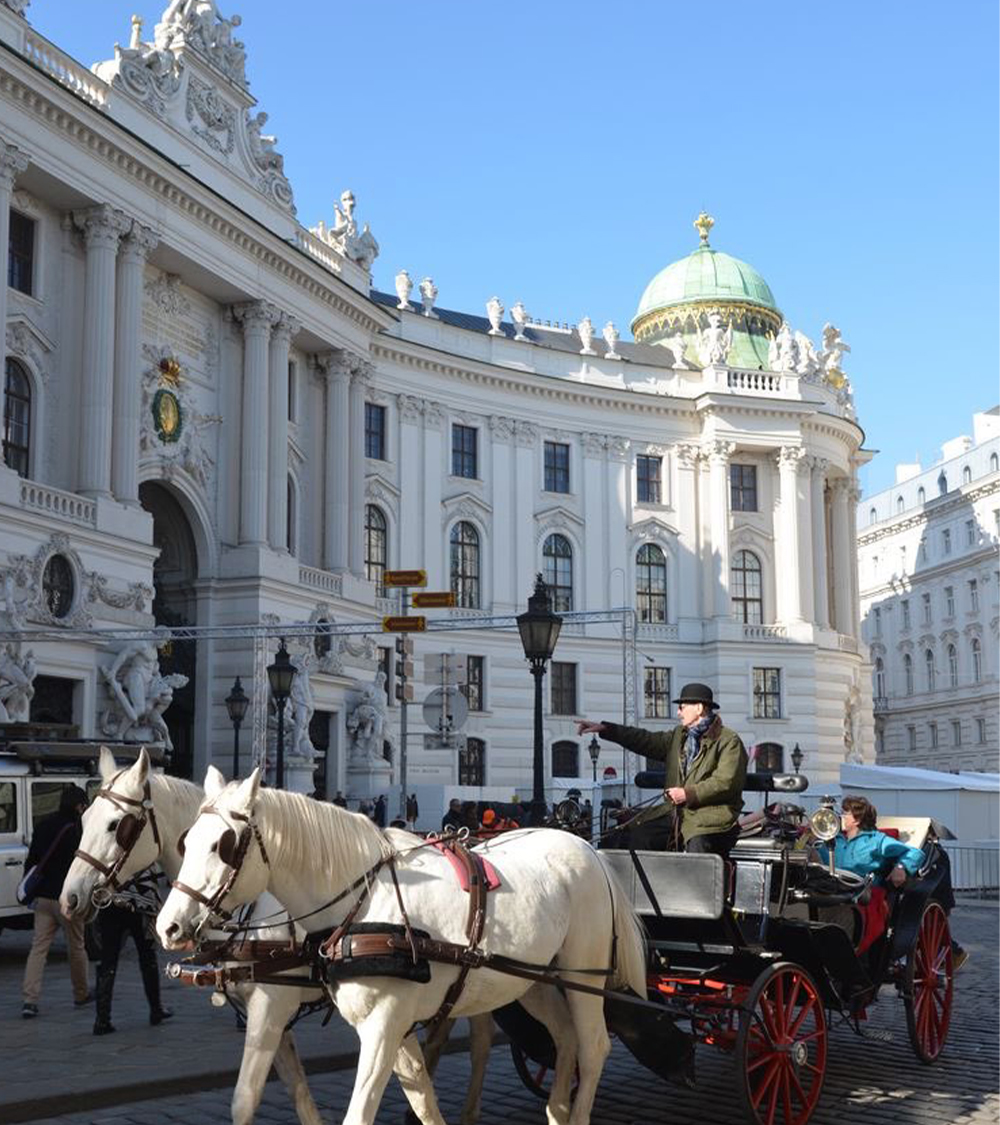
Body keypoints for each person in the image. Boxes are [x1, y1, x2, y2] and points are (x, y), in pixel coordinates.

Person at [578, 682, 748, 856]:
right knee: (633, 833)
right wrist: (607, 730)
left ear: (698, 708)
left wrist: (687, 794)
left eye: (682, 707)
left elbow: (725, 782)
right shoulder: (679, 736)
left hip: (711, 816)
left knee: (698, 845)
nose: (678, 712)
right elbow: (645, 740)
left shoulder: (729, 741)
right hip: (676, 813)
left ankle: (695, 883)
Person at [816, 795, 968, 969]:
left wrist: (901, 867)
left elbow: (914, 853)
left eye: (845, 814)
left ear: (857, 819)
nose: (840, 817)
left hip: (863, 893)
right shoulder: (833, 841)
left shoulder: (876, 840)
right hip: (833, 891)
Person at [21, 785, 91, 1018]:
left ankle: (29, 1000)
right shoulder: (78, 831)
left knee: (38, 948)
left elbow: (32, 861)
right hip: (67, 901)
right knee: (77, 946)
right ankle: (81, 994)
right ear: (79, 806)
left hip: (42, 898)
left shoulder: (43, 825)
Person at [93, 869, 173, 1035]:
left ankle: (102, 1019)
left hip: (110, 901)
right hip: (141, 905)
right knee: (147, 956)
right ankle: (156, 1009)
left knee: (108, 959)